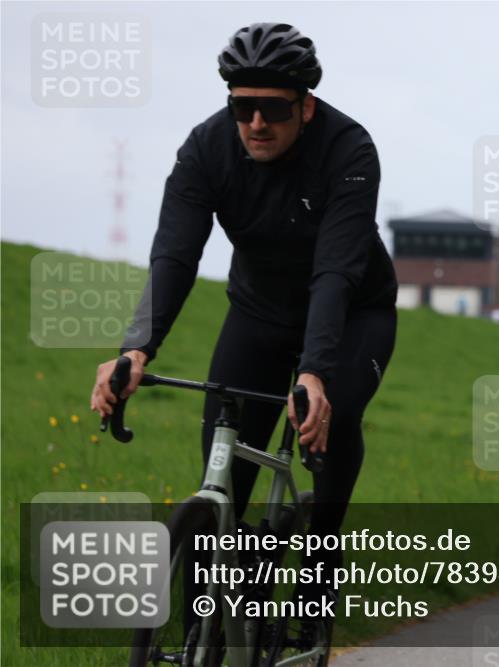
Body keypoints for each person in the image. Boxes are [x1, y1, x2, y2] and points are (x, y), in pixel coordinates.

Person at [89, 23, 398, 638]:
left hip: (351, 313)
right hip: (258, 313)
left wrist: (314, 371)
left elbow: (335, 271)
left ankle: (318, 566)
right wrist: (136, 348)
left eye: (274, 109)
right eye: (242, 106)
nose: (256, 123)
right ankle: (202, 639)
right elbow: (175, 255)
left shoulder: (349, 150)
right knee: (220, 481)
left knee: (332, 421)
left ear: (306, 107)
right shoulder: (207, 148)